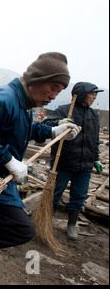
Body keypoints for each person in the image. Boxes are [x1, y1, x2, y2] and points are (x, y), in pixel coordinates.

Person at [0, 52, 81, 285]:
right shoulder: (5, 97)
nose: (53, 96)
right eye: (52, 87)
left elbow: (22, 129)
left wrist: (52, 132)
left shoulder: (23, 103)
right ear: (36, 79)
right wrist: (8, 159)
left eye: (58, 91)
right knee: (19, 228)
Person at [42, 82, 103, 240]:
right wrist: (59, 123)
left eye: (96, 94)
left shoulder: (93, 115)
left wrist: (96, 159)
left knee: (79, 196)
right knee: (53, 194)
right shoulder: (64, 111)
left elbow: (95, 140)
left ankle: (71, 225)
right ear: (82, 94)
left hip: (85, 165)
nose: (94, 97)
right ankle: (45, 223)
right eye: (92, 94)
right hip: (63, 163)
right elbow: (45, 125)